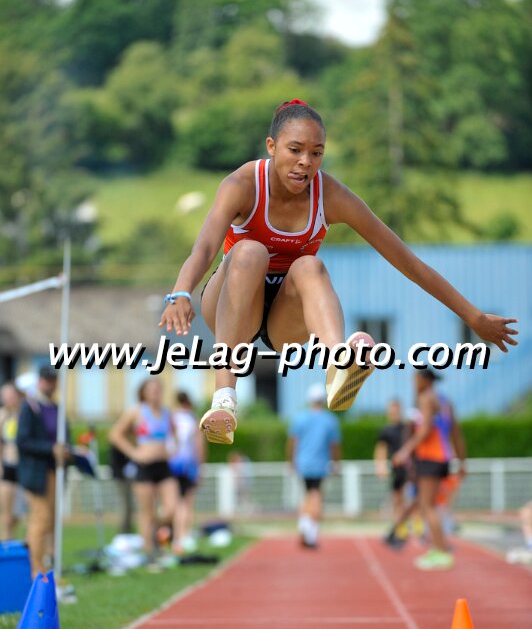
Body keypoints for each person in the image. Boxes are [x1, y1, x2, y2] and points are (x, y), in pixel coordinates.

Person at [159, 99, 518, 444]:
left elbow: (408, 262)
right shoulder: (242, 184)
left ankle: (340, 361)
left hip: (286, 317)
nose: (305, 163)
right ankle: (224, 399)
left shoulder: (330, 195)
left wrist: (473, 317)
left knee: (310, 265)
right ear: (271, 146)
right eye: (295, 150)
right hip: (232, 304)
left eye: (316, 153)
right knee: (250, 251)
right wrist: (181, 291)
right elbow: (204, 248)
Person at [392, 369, 467, 570]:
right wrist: (462, 462)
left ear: (424, 380)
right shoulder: (445, 401)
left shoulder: (426, 398)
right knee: (428, 504)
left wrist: (405, 451)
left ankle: (441, 551)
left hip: (430, 458)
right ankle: (438, 548)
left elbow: (424, 430)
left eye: (415, 379)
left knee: (428, 506)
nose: (413, 383)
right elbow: (456, 433)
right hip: (443, 458)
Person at [109, 379, 180, 563]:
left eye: (159, 388)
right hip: (144, 467)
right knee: (147, 512)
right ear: (144, 392)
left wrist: (174, 449)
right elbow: (115, 434)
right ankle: (149, 552)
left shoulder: (167, 412)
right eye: (152, 389)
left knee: (171, 509)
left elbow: (175, 434)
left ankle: (158, 538)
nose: (156, 392)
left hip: (163, 466)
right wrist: (134, 453)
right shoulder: (137, 411)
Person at [16, 366, 70, 577]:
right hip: (36, 473)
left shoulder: (57, 408)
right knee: (41, 517)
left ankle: (49, 560)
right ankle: (35, 568)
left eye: (53, 380)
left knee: (52, 519)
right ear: (40, 381)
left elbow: (64, 436)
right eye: (47, 380)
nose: (51, 384)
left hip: (55, 471)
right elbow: (23, 441)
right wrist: (50, 449)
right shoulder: (30, 407)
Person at [287, 382, 341, 548]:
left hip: (303, 463)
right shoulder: (330, 420)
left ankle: (303, 524)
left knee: (306, 494)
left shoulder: (299, 418)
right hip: (320, 464)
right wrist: (336, 462)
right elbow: (334, 445)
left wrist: (291, 461)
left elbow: (292, 442)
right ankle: (310, 533)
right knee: (316, 495)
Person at [167, 391, 205, 553]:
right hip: (187, 464)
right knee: (187, 502)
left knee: (173, 503)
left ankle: (175, 535)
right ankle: (184, 535)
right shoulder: (193, 420)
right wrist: (200, 467)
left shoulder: (170, 417)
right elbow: (199, 446)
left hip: (171, 463)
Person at [374, 399, 412, 537]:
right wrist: (380, 466)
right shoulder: (385, 431)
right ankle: (400, 526)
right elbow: (381, 449)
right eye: (392, 410)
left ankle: (415, 524)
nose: (394, 413)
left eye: (396, 410)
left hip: (410, 468)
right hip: (396, 468)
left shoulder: (407, 428)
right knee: (397, 498)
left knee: (412, 498)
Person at [0, 381, 24, 540]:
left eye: (11, 396)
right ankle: (7, 540)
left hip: (23, 466)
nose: (8, 399)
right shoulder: (2, 415)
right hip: (7, 465)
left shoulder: (24, 414)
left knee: (20, 511)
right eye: (5, 396)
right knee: (6, 512)